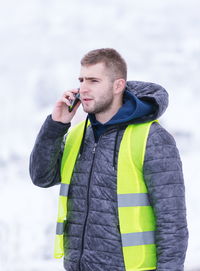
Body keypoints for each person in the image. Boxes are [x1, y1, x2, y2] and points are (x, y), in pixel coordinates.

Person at [29, 48, 188, 271]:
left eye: (94, 80)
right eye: (81, 79)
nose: (83, 88)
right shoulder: (77, 135)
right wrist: (56, 125)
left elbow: (172, 223)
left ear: (117, 86)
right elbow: (41, 177)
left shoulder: (151, 138)